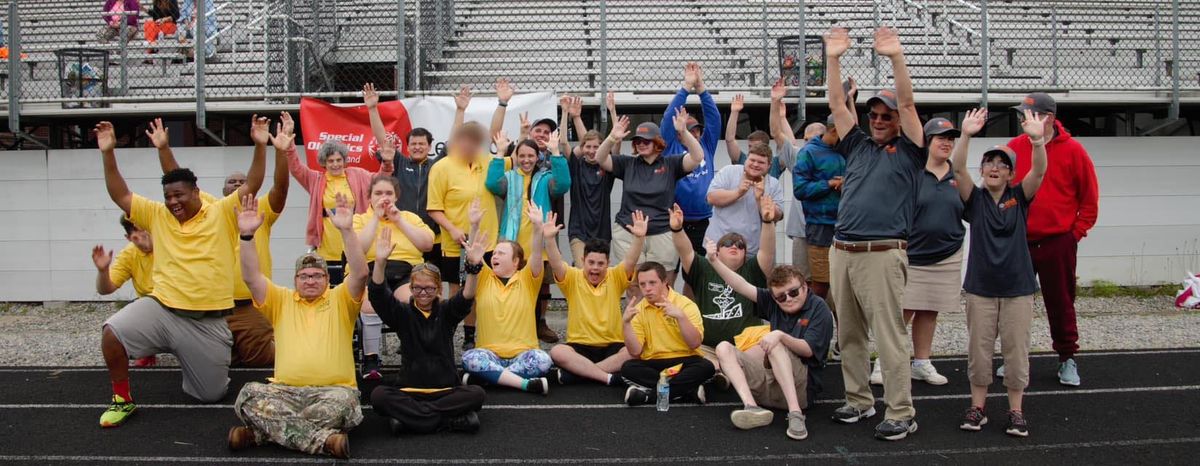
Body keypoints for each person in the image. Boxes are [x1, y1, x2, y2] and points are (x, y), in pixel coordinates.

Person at [93, 116, 265, 428]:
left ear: (196, 191)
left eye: (179, 195)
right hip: (163, 309)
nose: (173, 202)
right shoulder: (158, 215)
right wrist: (107, 153)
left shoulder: (222, 212)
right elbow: (120, 194)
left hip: (208, 321)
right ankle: (122, 399)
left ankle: (198, 364)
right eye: (168, 196)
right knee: (112, 332)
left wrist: (260, 145)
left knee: (209, 395)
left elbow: (253, 183)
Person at [823, 27, 925, 441]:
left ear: (897, 121)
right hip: (842, 250)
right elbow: (834, 102)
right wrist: (832, 60)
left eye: (887, 116)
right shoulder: (858, 145)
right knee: (848, 333)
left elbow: (908, 101)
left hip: (882, 252)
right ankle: (859, 400)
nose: (880, 120)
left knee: (889, 336)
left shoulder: (910, 151)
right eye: (874, 115)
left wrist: (896, 58)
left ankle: (901, 411)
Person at [227, 194, 366, 459]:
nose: (310, 280)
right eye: (304, 276)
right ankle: (323, 442)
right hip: (284, 392)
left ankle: (261, 434)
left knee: (343, 406)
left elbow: (360, 273)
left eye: (317, 276)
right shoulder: (280, 300)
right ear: (295, 279)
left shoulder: (341, 299)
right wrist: (246, 236)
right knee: (248, 396)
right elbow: (250, 276)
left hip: (333, 392)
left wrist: (347, 230)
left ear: (327, 278)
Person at [148, 116, 290, 368]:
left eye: (241, 181)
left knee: (262, 362)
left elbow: (280, 188)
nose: (237, 184)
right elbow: (176, 180)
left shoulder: (262, 210)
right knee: (219, 363)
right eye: (231, 182)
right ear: (221, 189)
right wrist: (163, 148)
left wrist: (280, 152)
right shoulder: (210, 208)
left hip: (251, 307)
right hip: (213, 308)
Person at [950, 108, 1050, 438]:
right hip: (980, 289)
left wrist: (1037, 140)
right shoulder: (975, 199)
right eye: (990, 163)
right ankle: (977, 408)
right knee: (979, 352)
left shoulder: (1020, 197)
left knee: (1016, 352)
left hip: (1018, 289)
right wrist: (965, 135)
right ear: (983, 170)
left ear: (1010, 175)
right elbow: (957, 167)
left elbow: (1039, 170)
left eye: (1002, 164)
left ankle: (1015, 411)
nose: (995, 167)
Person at [1004, 92, 1099, 387]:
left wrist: (1074, 234)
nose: (1022, 120)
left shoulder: (1074, 150)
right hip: (1019, 241)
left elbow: (1090, 200)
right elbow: (1003, 191)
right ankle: (1013, 358)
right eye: (1021, 115)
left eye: (1028, 115)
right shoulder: (1014, 148)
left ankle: (1067, 357)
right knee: (1013, 303)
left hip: (1058, 241)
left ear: (1047, 118)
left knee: (1060, 302)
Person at [706, 233, 834, 441]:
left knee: (775, 342)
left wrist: (780, 335)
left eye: (793, 292)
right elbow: (740, 285)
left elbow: (808, 350)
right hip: (769, 386)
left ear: (805, 287)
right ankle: (752, 407)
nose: (788, 299)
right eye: (781, 297)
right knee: (723, 348)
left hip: (801, 390)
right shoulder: (773, 302)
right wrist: (713, 261)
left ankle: (795, 415)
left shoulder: (818, 308)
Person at [368, 229, 488, 435]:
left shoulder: (447, 311)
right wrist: (380, 262)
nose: (423, 293)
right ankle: (448, 421)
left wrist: (473, 269)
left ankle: (410, 421)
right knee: (378, 396)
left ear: (439, 290)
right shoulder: (401, 313)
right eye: (417, 288)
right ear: (411, 288)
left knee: (477, 394)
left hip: (447, 390)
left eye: (429, 288)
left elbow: (467, 296)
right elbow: (378, 295)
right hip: (409, 391)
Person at [883, 117, 966, 387]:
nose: (946, 143)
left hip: (946, 254)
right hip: (912, 255)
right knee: (901, 313)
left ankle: (921, 362)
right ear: (927, 141)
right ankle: (884, 364)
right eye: (941, 137)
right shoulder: (913, 173)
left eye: (951, 138)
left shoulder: (959, 175)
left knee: (930, 310)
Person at [487, 78, 565, 344]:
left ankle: (539, 323)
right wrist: (499, 155)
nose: (527, 159)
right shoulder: (509, 177)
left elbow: (564, 184)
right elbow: (490, 183)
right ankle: (514, 322)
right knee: (512, 282)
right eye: (522, 156)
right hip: (512, 238)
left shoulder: (546, 177)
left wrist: (555, 153)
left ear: (537, 157)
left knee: (541, 283)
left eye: (531, 156)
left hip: (538, 238)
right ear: (517, 156)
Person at [594, 108, 706, 289]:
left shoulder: (670, 164)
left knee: (663, 285)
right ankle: (636, 318)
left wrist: (684, 132)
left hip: (662, 232)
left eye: (646, 140)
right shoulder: (627, 164)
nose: (641, 144)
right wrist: (612, 138)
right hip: (628, 231)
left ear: (657, 142)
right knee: (634, 284)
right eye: (637, 140)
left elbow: (697, 157)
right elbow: (600, 158)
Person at [428, 86, 501, 350]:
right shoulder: (441, 167)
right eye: (465, 139)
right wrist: (453, 229)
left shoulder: (486, 160)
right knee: (457, 291)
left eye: (475, 140)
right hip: (454, 242)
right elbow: (434, 208)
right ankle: (447, 334)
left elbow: (500, 141)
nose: (470, 144)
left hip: (487, 241)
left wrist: (502, 105)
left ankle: (471, 338)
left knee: (480, 291)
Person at [675, 184, 776, 371]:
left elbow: (767, 252)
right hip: (707, 347)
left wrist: (768, 222)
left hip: (746, 347)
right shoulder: (704, 267)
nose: (735, 246)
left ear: (746, 255)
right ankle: (722, 371)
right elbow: (685, 251)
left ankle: (719, 371)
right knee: (684, 355)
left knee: (769, 346)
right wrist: (677, 229)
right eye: (728, 243)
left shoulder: (752, 269)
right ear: (717, 251)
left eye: (740, 245)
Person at [545, 211, 648, 386]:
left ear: (608, 263)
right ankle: (607, 377)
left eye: (601, 263)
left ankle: (581, 373)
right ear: (583, 260)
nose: (595, 268)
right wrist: (549, 239)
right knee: (557, 352)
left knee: (634, 352)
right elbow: (555, 263)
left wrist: (639, 238)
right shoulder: (572, 277)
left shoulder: (615, 276)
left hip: (612, 345)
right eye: (591, 262)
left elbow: (631, 261)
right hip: (579, 345)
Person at [460, 202, 552, 395]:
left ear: (516, 262)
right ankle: (523, 383)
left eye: (501, 253)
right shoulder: (484, 277)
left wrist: (537, 228)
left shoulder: (528, 278)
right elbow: (474, 254)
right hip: (489, 354)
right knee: (470, 358)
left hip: (523, 354)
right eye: (494, 253)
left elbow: (536, 253)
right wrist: (474, 225)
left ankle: (489, 378)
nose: (494, 256)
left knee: (543, 360)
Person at [352, 175, 435, 379]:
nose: (384, 198)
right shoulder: (359, 219)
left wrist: (398, 220)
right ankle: (371, 360)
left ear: (396, 196)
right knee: (370, 304)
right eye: (378, 193)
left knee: (415, 301)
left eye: (388, 193)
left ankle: (417, 355)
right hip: (371, 271)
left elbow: (427, 244)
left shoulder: (410, 217)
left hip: (406, 272)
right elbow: (358, 248)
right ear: (369, 197)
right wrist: (375, 218)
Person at [287, 128, 394, 286]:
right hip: (327, 246)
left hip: (355, 243)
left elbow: (381, 181)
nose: (335, 164)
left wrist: (386, 162)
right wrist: (289, 144)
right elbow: (296, 168)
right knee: (329, 289)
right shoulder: (315, 179)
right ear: (324, 162)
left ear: (344, 160)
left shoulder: (358, 174)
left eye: (338, 160)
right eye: (331, 161)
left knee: (356, 289)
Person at [363, 83, 442, 266]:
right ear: (407, 147)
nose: (417, 147)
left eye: (422, 144)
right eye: (413, 144)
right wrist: (373, 109)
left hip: (432, 236)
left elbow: (454, 141)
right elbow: (384, 142)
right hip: (405, 231)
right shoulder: (399, 162)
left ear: (430, 147)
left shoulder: (437, 166)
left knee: (434, 280)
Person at [620, 262, 715, 406]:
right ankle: (686, 391)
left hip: (686, 361)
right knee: (628, 368)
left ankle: (648, 397)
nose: (647, 289)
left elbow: (695, 343)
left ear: (665, 281)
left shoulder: (685, 304)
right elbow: (635, 352)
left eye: (652, 283)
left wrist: (681, 317)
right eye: (642, 284)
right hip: (654, 363)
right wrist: (626, 324)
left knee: (706, 367)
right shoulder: (638, 310)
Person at [662, 63, 721, 256]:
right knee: (669, 271)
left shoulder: (706, 146)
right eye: (687, 130)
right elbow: (668, 118)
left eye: (695, 130)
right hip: (675, 219)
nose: (692, 134)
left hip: (703, 220)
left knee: (697, 274)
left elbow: (714, 119)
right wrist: (686, 88)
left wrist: (701, 88)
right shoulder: (671, 147)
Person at [792, 116, 845, 309]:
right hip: (820, 225)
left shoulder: (847, 149)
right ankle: (808, 327)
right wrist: (830, 183)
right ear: (832, 131)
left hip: (848, 225)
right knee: (821, 283)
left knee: (845, 287)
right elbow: (800, 189)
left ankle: (845, 337)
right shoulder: (809, 152)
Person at [92, 217, 159, 367]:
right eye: (135, 236)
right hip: (150, 305)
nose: (142, 239)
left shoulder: (171, 243)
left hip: (179, 302)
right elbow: (105, 289)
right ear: (128, 238)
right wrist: (103, 271)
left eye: (145, 231)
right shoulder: (129, 253)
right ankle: (146, 351)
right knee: (118, 324)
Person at [703, 141, 785, 256]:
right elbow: (711, 198)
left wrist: (759, 198)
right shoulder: (729, 171)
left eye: (761, 162)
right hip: (718, 247)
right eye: (752, 160)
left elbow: (777, 216)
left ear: (769, 165)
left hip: (752, 252)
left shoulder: (773, 184)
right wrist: (738, 192)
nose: (755, 164)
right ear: (746, 159)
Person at [564, 93, 619, 266]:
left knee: (598, 274)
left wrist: (612, 111)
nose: (592, 150)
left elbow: (616, 140)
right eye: (588, 147)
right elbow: (565, 143)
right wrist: (568, 114)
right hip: (578, 231)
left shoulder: (607, 166)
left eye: (597, 147)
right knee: (583, 271)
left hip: (602, 232)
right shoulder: (576, 164)